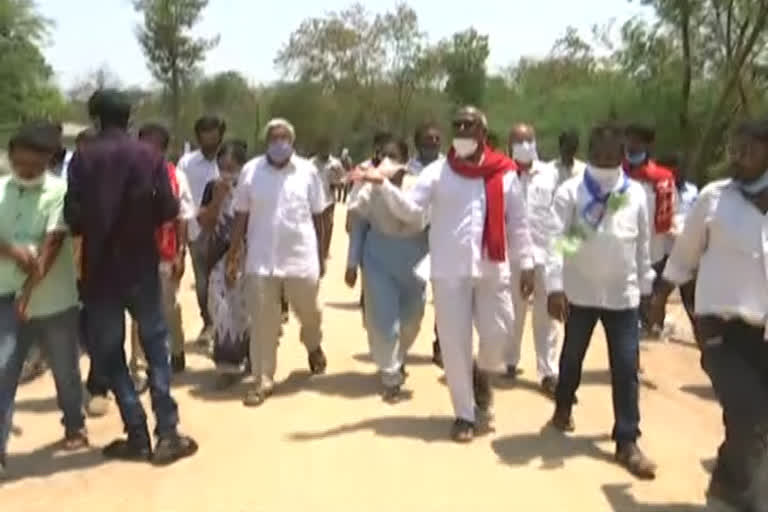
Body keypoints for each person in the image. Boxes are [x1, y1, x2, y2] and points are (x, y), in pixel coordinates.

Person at [354, 106, 534, 442]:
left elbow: (519, 225)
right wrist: (384, 186)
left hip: (493, 268)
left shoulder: (505, 174)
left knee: (500, 334)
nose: (463, 130)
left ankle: (482, 375)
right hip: (449, 270)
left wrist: (527, 266)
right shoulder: (438, 172)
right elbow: (412, 210)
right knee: (454, 344)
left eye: (470, 125)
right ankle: (465, 414)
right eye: (458, 125)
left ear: (483, 131)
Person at [65, 89, 197, 464]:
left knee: (109, 353)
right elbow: (167, 208)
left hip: (100, 271)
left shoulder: (82, 158)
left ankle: (136, 432)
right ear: (129, 118)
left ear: (96, 119)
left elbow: (73, 216)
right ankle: (168, 431)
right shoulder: (149, 155)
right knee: (156, 346)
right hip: (140, 266)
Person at [650, 120, 768, 511]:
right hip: (722, 332)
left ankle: (724, 491)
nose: (738, 155)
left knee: (749, 423)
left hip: (763, 334)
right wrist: (659, 293)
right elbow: (684, 253)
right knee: (749, 417)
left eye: (749, 148)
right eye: (735, 147)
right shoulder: (714, 198)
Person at [545, 123, 656, 480]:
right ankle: (563, 405)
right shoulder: (572, 192)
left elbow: (642, 245)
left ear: (623, 156)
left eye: (614, 156)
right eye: (601, 156)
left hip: (622, 296)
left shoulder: (634, 193)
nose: (607, 162)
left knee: (626, 367)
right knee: (572, 356)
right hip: (580, 292)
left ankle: (627, 440)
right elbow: (559, 243)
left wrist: (646, 288)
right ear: (590, 154)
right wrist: (555, 286)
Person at [0, 122, 87, 475]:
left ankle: (73, 423)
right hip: (6, 299)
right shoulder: (1, 189)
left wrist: (28, 292)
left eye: (34, 166)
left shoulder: (60, 192)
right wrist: (12, 251)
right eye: (19, 164)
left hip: (52, 301)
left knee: (65, 369)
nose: (26, 171)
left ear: (48, 160)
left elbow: (51, 246)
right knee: (3, 370)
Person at [226, 118, 329, 407]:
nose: (279, 143)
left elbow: (320, 215)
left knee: (309, 312)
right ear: (266, 142)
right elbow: (241, 215)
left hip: (300, 257)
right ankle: (263, 379)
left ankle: (313, 344)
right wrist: (234, 253)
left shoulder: (308, 172)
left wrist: (322, 255)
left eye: (284, 138)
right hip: (261, 259)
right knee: (262, 322)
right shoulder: (251, 171)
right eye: (273, 138)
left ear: (292, 142)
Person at [345, 138, 429, 401]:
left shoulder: (420, 186)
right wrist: (352, 263)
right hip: (378, 257)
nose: (385, 162)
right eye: (381, 157)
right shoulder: (368, 190)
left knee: (412, 318)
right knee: (383, 319)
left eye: (392, 157)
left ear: (405, 159)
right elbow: (357, 225)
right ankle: (390, 373)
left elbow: (415, 217)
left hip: (414, 257)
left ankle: (399, 355)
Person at [129, 123, 195, 392]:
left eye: (154, 144)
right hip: (135, 253)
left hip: (167, 251)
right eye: (143, 143)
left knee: (168, 306)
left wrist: (181, 253)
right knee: (138, 314)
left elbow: (183, 216)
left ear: (164, 149)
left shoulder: (175, 176)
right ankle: (140, 368)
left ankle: (176, 349)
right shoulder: (128, 174)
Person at [504, 123, 560, 395]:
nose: (525, 145)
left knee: (546, 316)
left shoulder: (550, 175)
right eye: (518, 140)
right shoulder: (503, 176)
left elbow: (562, 217)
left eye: (529, 139)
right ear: (509, 145)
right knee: (513, 311)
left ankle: (548, 371)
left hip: (546, 256)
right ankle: (509, 360)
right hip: (512, 256)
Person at [198, 140, 250, 388]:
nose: (226, 173)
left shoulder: (250, 187)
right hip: (218, 256)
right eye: (222, 167)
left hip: (248, 256)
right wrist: (217, 201)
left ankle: (248, 356)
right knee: (220, 306)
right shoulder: (212, 188)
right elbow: (205, 223)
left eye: (232, 167)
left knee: (244, 309)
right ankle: (227, 365)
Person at [623, 123, 676, 336]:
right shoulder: (618, 174)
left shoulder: (662, 178)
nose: (632, 145)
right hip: (622, 249)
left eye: (637, 140)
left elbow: (668, 218)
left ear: (648, 144)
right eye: (629, 139)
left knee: (645, 300)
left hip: (652, 251)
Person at [177, 115, 226, 346]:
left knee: (226, 280)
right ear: (198, 136)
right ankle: (208, 322)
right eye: (205, 133)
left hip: (226, 232)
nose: (210, 137)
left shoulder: (228, 160)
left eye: (214, 132)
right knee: (203, 281)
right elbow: (179, 195)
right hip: (197, 231)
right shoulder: (187, 163)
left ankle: (227, 326)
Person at [407, 121, 444, 366]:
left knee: (443, 294)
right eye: (427, 140)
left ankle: (441, 344)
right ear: (418, 143)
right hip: (414, 237)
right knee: (412, 292)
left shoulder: (450, 167)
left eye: (436, 139)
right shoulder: (407, 169)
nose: (432, 143)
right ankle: (401, 343)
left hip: (442, 237)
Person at [654, 153, 698, 333]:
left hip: (686, 250)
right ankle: (655, 327)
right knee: (658, 293)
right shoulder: (660, 189)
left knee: (690, 297)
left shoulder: (693, 191)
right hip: (664, 248)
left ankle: (699, 331)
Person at [311, 137, 344, 262]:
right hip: (314, 200)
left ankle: (325, 251)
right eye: (322, 147)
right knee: (315, 226)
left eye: (327, 147)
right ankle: (315, 250)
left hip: (329, 200)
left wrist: (337, 182)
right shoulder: (311, 164)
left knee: (328, 225)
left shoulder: (336, 164)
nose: (325, 150)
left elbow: (343, 181)